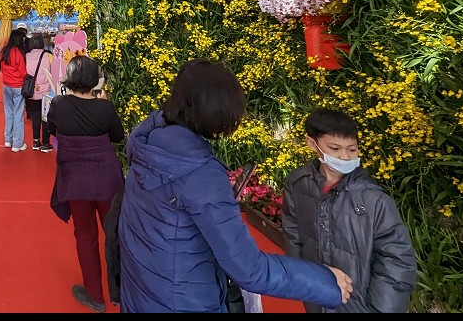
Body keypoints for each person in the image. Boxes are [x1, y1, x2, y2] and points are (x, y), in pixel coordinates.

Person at [118, 59, 353, 313]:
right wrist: (325, 282)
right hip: (185, 300)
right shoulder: (200, 174)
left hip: (144, 291)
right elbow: (249, 269)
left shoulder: (149, 145)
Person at [282, 108, 417, 313]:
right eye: (335, 148)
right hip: (316, 296)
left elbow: (397, 259)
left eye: (352, 149)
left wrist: (380, 309)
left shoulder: (374, 199)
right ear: (313, 144)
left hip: (360, 305)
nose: (345, 157)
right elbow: (294, 237)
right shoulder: (297, 185)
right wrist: (303, 280)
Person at [45, 54, 125, 312]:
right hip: (107, 180)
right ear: (95, 80)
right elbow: (118, 136)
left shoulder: (58, 104)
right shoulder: (106, 108)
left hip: (75, 180)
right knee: (116, 234)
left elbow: (53, 130)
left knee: (85, 234)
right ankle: (126, 291)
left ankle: (95, 296)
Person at [0, 27, 29, 152]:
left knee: (9, 113)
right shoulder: (18, 53)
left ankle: (8, 139)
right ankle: (17, 143)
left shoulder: (5, 51)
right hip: (18, 86)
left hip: (6, 85)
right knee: (18, 114)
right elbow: (23, 71)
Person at [24, 33, 55, 152]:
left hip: (31, 91)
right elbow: (53, 72)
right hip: (46, 92)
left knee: (35, 117)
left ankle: (36, 141)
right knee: (46, 117)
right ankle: (46, 143)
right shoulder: (48, 56)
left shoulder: (26, 56)